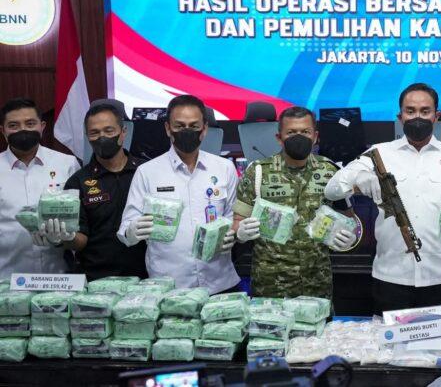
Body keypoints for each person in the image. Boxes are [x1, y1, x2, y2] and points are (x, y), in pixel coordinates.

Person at [325, 83, 441, 313]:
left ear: (436, 116)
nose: (417, 117)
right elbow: (331, 190)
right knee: (389, 337)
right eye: (410, 111)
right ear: (400, 117)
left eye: (425, 111)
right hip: (391, 277)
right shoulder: (378, 153)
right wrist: (358, 177)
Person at [118, 95, 239, 294]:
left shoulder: (224, 168)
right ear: (168, 128)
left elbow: (232, 216)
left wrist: (233, 234)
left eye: (194, 126)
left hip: (219, 282)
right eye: (179, 126)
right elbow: (126, 229)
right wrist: (132, 231)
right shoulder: (147, 172)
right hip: (169, 286)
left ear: (204, 129)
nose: (187, 131)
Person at [232, 106, 356, 299]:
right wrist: (240, 233)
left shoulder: (330, 172)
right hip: (270, 284)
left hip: (317, 282)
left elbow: (350, 220)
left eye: (305, 132)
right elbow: (237, 223)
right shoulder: (257, 172)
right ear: (279, 138)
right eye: (291, 132)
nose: (299, 137)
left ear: (315, 136)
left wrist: (349, 238)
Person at [54, 102, 147, 281]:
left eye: (109, 130)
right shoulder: (78, 181)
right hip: (96, 279)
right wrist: (64, 236)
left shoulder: (146, 172)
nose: (102, 137)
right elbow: (80, 240)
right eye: (94, 133)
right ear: (87, 137)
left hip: (145, 278)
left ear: (123, 132)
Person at [0, 98, 79, 277]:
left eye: (30, 123)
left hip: (59, 277)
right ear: (3, 131)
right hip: (6, 278)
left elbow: (82, 220)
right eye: (13, 125)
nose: (23, 130)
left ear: (42, 126)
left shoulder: (67, 164)